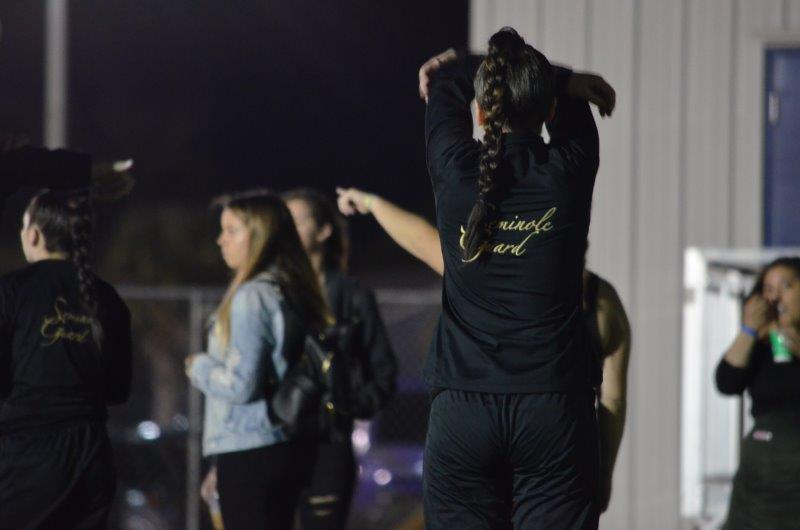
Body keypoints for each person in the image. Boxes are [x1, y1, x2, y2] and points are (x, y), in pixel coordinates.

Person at [416, 27, 615, 529]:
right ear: (550, 110)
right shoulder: (570, 169)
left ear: (481, 112)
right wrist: (564, 80)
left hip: (462, 409)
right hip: (553, 406)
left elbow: (445, 80)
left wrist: (462, 63)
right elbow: (565, 98)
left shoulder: (453, 170)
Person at [337, 187, 630, 512]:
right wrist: (604, 474)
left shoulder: (488, 277)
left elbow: (421, 239)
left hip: (480, 432)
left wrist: (371, 203)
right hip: (559, 439)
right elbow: (612, 399)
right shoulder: (602, 300)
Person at [186, 191, 333, 530]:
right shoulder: (291, 288)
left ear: (259, 236)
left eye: (231, 230)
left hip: (252, 449)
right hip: (284, 444)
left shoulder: (252, 296)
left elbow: (241, 385)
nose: (220, 240)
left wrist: (199, 367)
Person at [0, 189, 133, 529]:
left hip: (29, 456)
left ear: (33, 234)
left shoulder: (11, 291)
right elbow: (119, 390)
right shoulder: (107, 297)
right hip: (93, 457)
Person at [284, 187, 397, 530]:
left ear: (324, 231)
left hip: (327, 447)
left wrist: (345, 406)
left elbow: (383, 373)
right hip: (272, 443)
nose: (286, 230)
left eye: (296, 221)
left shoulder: (352, 296)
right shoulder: (267, 292)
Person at [715, 256, 800, 530]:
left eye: (785, 286)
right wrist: (748, 330)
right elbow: (727, 382)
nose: (775, 298)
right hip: (760, 474)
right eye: (768, 289)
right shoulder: (761, 347)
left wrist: (789, 341)